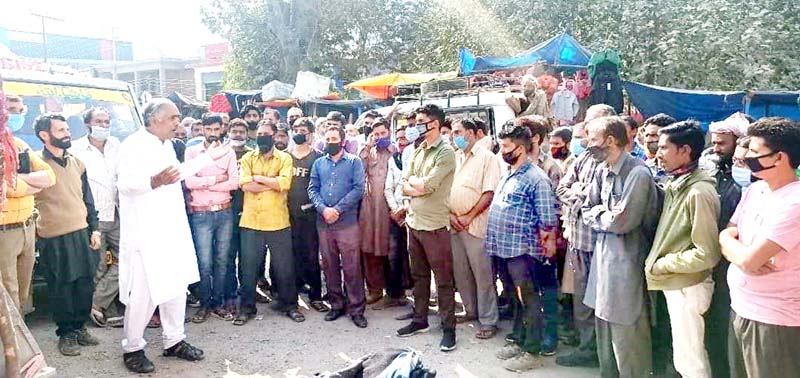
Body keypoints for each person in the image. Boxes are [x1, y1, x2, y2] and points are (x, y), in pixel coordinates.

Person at [117, 99, 231, 372]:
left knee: (176, 288)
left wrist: (207, 157)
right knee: (143, 294)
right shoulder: (132, 145)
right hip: (146, 233)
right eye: (173, 118)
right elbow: (123, 184)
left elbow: (175, 175)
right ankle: (132, 348)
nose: (178, 123)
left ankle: (174, 340)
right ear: (155, 119)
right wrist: (152, 182)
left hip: (172, 228)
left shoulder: (166, 145)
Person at [720, 117, 800, 378]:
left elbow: (751, 261)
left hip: (774, 320)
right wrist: (728, 242)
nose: (745, 157)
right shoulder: (756, 191)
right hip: (742, 308)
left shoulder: (794, 202)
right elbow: (729, 232)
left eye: (755, 152)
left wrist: (738, 252)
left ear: (779, 157)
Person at [582, 116, 657, 377]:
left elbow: (623, 221)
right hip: (603, 266)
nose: (587, 145)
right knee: (605, 337)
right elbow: (586, 208)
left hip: (626, 267)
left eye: (591, 140)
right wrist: (606, 215)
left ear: (611, 140)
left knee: (628, 340)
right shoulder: (601, 169)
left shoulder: (637, 173)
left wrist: (602, 216)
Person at [645, 120, 721, 378]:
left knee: (691, 360)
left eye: (665, 148)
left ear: (685, 151)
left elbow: (706, 253)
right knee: (685, 355)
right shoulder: (678, 184)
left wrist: (664, 264)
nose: (658, 154)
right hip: (677, 283)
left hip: (687, 285)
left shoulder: (698, 192)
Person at [488, 125, 558, 372]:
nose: (502, 150)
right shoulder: (510, 172)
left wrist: (547, 246)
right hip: (505, 249)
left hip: (524, 252)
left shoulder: (536, 178)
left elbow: (548, 219)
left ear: (521, 148)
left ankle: (533, 350)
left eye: (506, 147)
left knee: (529, 300)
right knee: (515, 300)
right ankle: (519, 341)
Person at [33, 113, 102, 356]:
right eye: (61, 130)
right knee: (61, 286)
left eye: (66, 129)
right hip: (53, 238)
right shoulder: (35, 164)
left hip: (82, 234)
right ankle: (66, 333)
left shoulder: (76, 162)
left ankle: (80, 327)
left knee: (84, 283)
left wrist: (95, 228)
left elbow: (88, 199)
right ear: (45, 135)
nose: (67, 133)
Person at [555, 104, 617, 368]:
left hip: (602, 245)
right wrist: (583, 196)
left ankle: (605, 354)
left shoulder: (613, 163)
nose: (586, 136)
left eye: (591, 129)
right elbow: (562, 188)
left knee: (604, 304)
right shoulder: (582, 160)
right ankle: (587, 347)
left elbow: (605, 203)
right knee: (582, 302)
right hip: (578, 241)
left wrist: (583, 197)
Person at [396, 104, 458, 352]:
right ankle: (419, 320)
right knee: (419, 277)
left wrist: (415, 186)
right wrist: (415, 186)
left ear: (434, 123)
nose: (415, 126)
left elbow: (429, 186)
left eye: (420, 121)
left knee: (443, 281)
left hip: (435, 226)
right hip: (415, 223)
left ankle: (449, 329)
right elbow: (404, 183)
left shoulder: (445, 152)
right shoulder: (419, 150)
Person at [236, 121, 303, 325]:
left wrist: (259, 179)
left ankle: (289, 305)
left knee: (284, 267)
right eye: (260, 133)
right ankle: (246, 308)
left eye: (266, 133)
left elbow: (285, 184)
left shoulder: (285, 158)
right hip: (251, 221)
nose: (262, 136)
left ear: (274, 136)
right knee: (248, 268)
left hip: (277, 221)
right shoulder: (247, 157)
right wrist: (270, 182)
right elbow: (245, 185)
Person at [700, 117, 747, 378]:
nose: (716, 148)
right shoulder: (709, 165)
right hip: (711, 256)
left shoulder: (751, 180)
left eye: (722, 143)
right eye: (714, 142)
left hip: (736, 258)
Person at [69, 108, 124, 328]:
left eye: (107, 121)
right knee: (99, 264)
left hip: (119, 212)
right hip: (94, 216)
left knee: (127, 260)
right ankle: (102, 309)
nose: (104, 125)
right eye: (99, 121)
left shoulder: (117, 146)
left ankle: (96, 303)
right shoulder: (76, 150)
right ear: (88, 125)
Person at [308, 125, 367, 328]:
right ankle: (336, 304)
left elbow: (358, 188)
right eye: (327, 138)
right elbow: (312, 188)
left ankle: (356, 309)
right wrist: (323, 209)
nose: (330, 142)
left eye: (334, 139)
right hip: (324, 222)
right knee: (329, 265)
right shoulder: (318, 164)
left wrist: (338, 210)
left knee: (352, 267)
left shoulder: (354, 162)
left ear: (342, 141)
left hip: (347, 222)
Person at [0, 96, 55, 313]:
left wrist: (17, 179)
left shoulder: (18, 144)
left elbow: (49, 177)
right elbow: (4, 187)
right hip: (5, 231)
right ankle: (14, 345)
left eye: (19, 110)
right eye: (10, 110)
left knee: (23, 293)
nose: (15, 116)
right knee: (9, 293)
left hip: (27, 227)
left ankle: (16, 340)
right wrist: (29, 185)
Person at [184, 113, 239, 323]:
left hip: (224, 211)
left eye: (217, 129)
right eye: (209, 129)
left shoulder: (229, 152)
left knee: (222, 260)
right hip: (201, 212)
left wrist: (204, 181)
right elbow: (189, 182)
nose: (213, 133)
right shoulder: (192, 152)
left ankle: (219, 303)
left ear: (222, 130)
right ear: (202, 129)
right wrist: (217, 178)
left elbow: (234, 182)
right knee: (204, 261)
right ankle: (205, 304)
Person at [449, 118, 501, 339]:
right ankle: (470, 311)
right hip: (454, 224)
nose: (454, 136)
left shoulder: (487, 159)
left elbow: (489, 193)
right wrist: (452, 216)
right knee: (461, 272)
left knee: (483, 275)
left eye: (458, 132)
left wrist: (469, 216)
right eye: (452, 133)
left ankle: (488, 320)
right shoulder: (455, 157)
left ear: (471, 133)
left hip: (476, 224)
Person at [358, 117, 403, 307]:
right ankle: (375, 290)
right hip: (370, 210)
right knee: (369, 250)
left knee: (392, 252)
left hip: (390, 209)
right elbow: (359, 171)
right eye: (375, 134)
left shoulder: (396, 152)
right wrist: (367, 147)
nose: (379, 137)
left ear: (389, 133)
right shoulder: (369, 153)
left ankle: (395, 293)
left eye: (382, 133)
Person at [288, 117, 327, 313]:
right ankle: (292, 296)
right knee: (292, 255)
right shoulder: (286, 156)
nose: (299, 132)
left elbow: (323, 185)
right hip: (288, 213)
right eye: (295, 128)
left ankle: (316, 296)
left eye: (303, 129)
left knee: (312, 255)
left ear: (310, 134)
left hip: (311, 213)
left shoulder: (318, 157)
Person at [225, 118, 251, 311]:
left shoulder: (252, 155)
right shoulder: (222, 154)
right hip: (225, 210)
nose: (238, 134)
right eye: (235, 131)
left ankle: (247, 291)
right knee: (227, 254)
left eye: (242, 131)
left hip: (249, 210)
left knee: (247, 256)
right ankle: (230, 293)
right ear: (228, 132)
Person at [641, 113, 677, 186]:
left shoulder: (682, 169)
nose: (648, 140)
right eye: (646, 135)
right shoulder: (644, 167)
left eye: (654, 135)